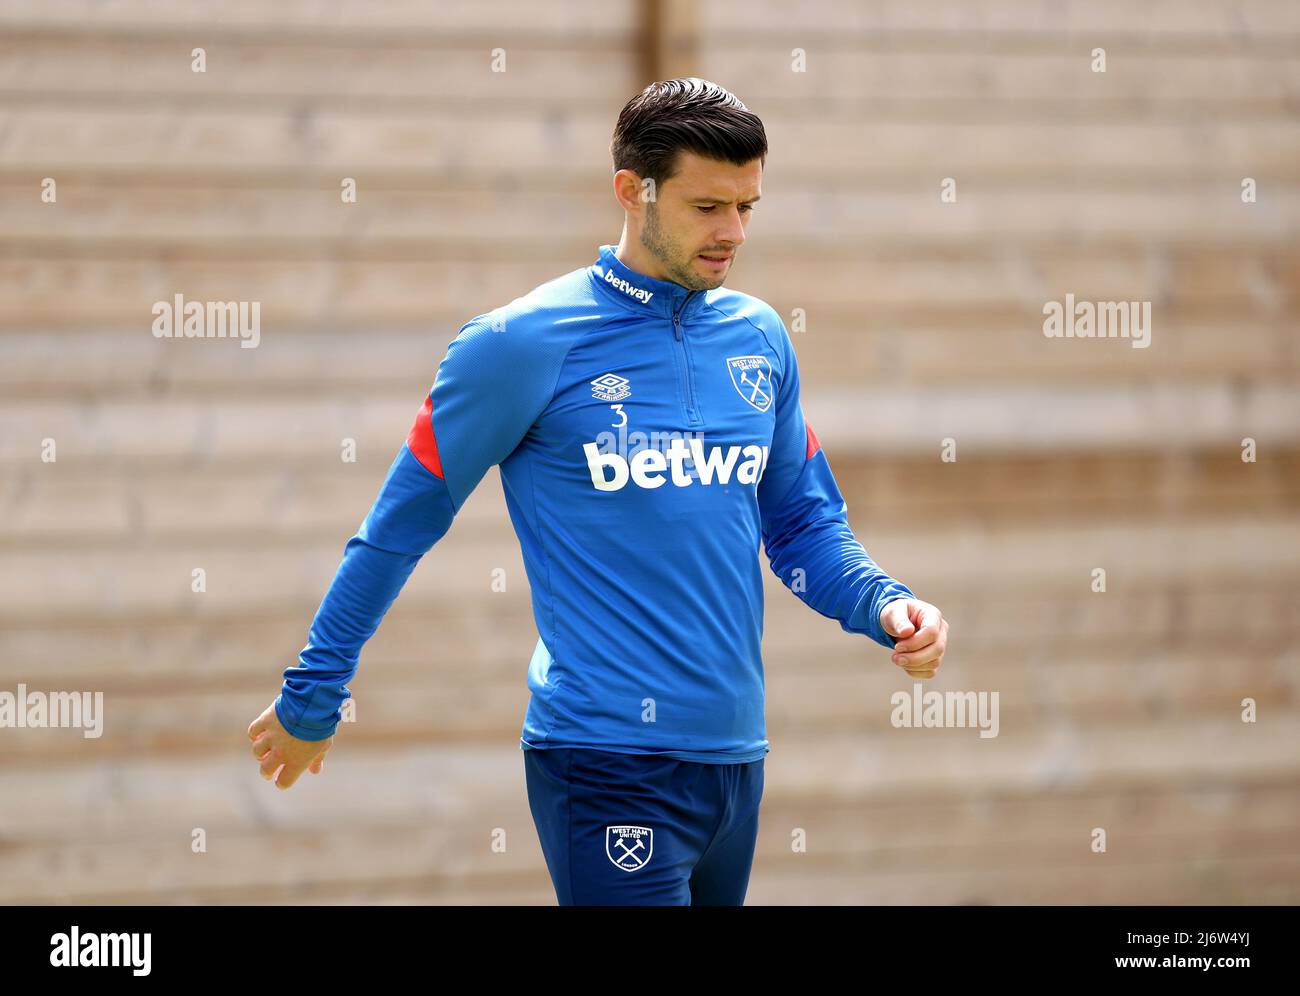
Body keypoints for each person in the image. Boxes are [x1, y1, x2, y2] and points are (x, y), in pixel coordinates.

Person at [246, 77, 948, 905]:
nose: (733, 233)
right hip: (605, 763)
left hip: (735, 763)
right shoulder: (514, 346)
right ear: (631, 191)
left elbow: (799, 523)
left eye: (749, 208)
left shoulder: (760, 337)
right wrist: (315, 693)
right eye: (707, 207)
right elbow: (397, 528)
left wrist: (884, 605)